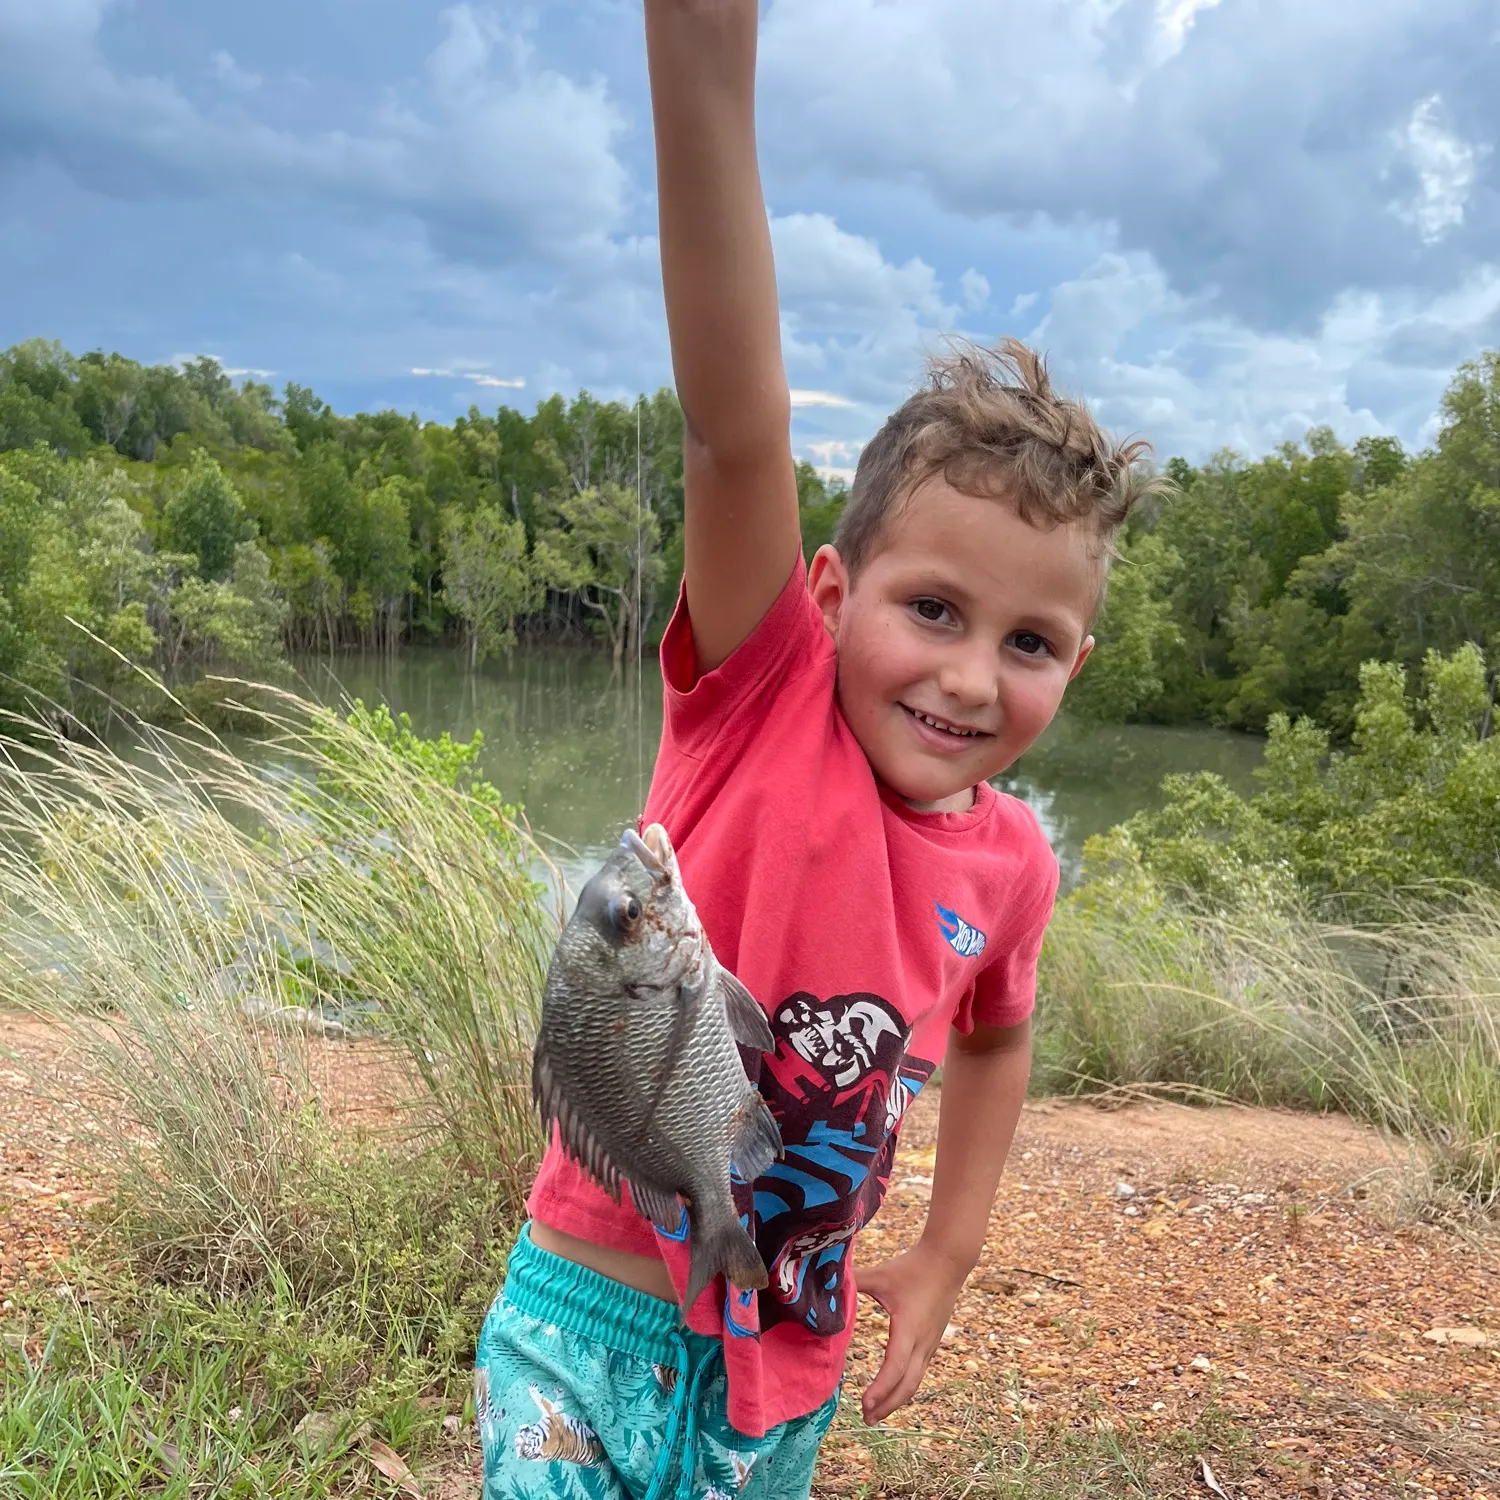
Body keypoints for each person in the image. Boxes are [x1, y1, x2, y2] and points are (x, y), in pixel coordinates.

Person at [474, 3, 1163, 1496]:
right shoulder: (762, 695)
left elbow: (994, 1038)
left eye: (1031, 642)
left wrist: (950, 1249)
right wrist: (702, 58)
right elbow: (736, 429)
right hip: (587, 1320)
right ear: (834, 598)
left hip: (788, 1362)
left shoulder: (1015, 862)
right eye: (934, 610)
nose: (971, 676)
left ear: (1076, 667)